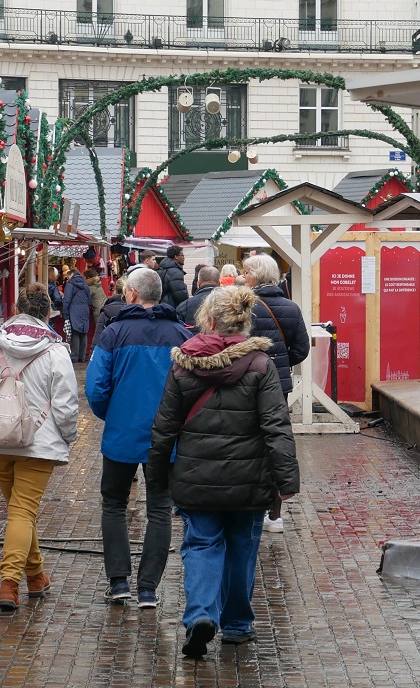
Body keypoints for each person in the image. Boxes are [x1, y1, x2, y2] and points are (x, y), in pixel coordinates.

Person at [146, 286, 299, 658]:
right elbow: (276, 426)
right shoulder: (261, 365)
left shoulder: (183, 363)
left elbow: (164, 427)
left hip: (196, 477)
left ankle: (200, 615)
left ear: (209, 320)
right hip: (249, 480)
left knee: (200, 544)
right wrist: (287, 480)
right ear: (244, 322)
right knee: (243, 548)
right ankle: (236, 625)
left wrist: (155, 477)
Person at [0, 284, 78, 611]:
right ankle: (9, 584)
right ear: (47, 312)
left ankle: (36, 575)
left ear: (17, 307)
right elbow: (66, 407)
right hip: (38, 444)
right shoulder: (56, 352)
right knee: (22, 511)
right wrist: (66, 437)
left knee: (20, 511)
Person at [85, 267, 191, 608]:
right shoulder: (181, 334)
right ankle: (148, 588)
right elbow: (192, 389)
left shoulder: (114, 333)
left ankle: (118, 582)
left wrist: (112, 415)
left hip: (122, 433)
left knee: (114, 504)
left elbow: (95, 387)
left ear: (130, 294)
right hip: (166, 437)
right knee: (160, 509)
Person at [241, 254, 309, 534]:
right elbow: (301, 349)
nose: (244, 277)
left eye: (246, 272)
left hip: (244, 383)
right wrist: (279, 367)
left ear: (256, 276)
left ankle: (247, 506)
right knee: (276, 444)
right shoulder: (291, 308)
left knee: (246, 441)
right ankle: (274, 514)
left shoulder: (244, 306)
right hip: (278, 387)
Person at [63, 265, 91, 362]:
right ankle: (82, 357)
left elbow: (66, 300)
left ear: (71, 275)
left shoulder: (70, 284)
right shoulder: (85, 285)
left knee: (75, 332)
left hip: (74, 310)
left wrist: (65, 314)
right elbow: (89, 300)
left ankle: (74, 357)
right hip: (85, 310)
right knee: (83, 333)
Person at [85, 268, 107, 355]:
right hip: (103, 308)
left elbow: (87, 300)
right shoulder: (98, 284)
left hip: (98, 311)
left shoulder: (90, 287)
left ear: (87, 278)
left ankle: (97, 352)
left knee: (98, 333)